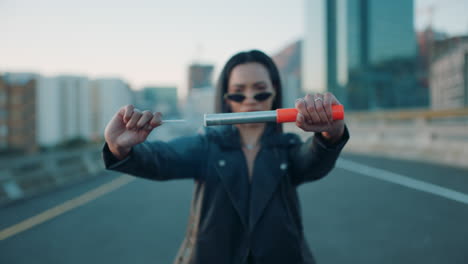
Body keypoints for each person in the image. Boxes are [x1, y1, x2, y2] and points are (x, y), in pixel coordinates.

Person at [102, 50, 349, 264]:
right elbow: (160, 158)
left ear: (275, 92)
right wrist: (119, 146)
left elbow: (314, 161)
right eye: (238, 93)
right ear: (227, 100)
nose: (250, 100)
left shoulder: (288, 147)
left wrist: (331, 133)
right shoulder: (207, 146)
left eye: (260, 92)